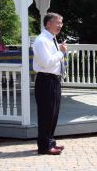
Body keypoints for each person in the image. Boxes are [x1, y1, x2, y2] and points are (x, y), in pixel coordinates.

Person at [33, 12, 67, 155]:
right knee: (46, 114)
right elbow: (46, 63)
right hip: (45, 80)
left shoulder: (51, 39)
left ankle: (50, 142)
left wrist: (58, 48)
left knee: (53, 114)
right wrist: (61, 52)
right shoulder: (41, 40)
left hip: (53, 80)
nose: (60, 25)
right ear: (48, 24)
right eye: (57, 22)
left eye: (61, 23)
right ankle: (44, 147)